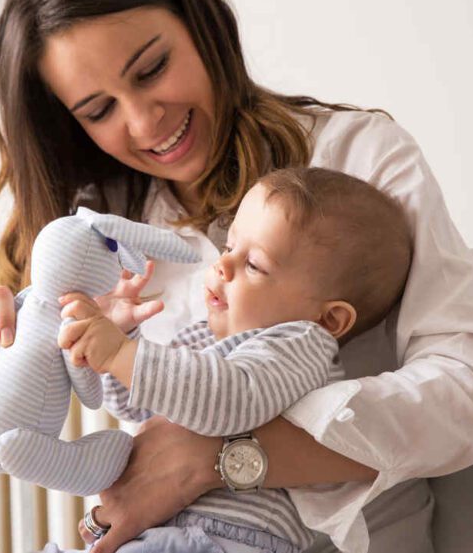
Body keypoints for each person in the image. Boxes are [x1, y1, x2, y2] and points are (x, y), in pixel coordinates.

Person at [0, 0, 473, 552]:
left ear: (201, 28)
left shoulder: (357, 159)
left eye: (151, 69)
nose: (145, 123)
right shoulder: (100, 225)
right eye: (99, 110)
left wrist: (219, 456)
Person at [47, 167, 412, 552]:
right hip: (172, 530)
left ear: (329, 319)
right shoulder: (202, 335)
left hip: (225, 537)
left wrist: (121, 354)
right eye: (228, 247)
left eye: (253, 264)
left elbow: (228, 403)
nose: (222, 266)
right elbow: (134, 404)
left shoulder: (301, 343)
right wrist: (121, 337)